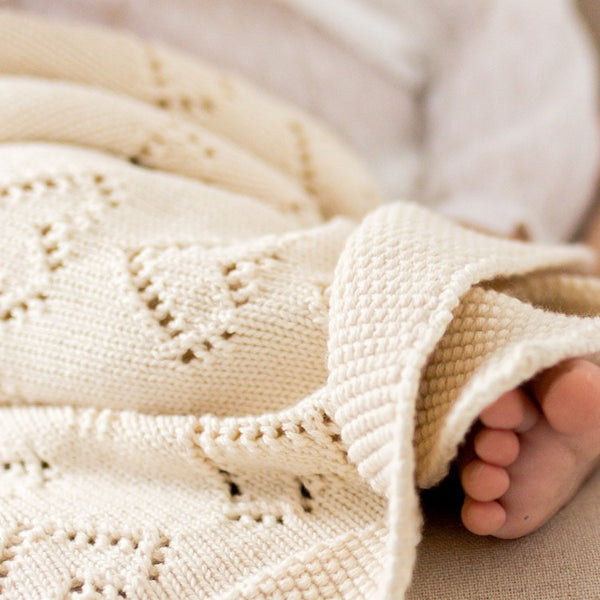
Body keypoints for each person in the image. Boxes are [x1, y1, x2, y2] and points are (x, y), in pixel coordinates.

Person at [5, 0, 600, 539]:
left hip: (335, 231)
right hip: (75, 167)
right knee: (41, 233)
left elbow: (522, 130)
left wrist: (456, 264)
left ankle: (467, 364)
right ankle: (449, 386)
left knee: (355, 285)